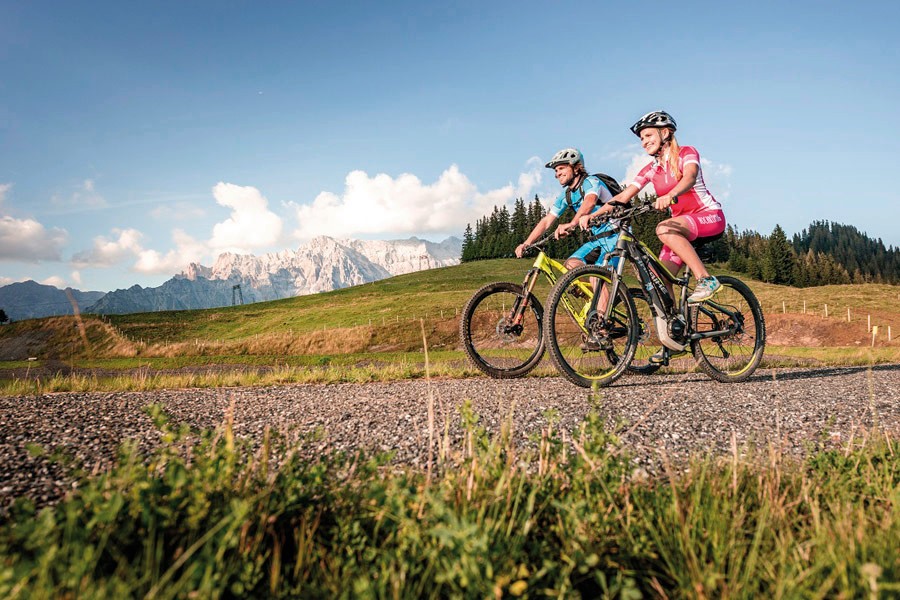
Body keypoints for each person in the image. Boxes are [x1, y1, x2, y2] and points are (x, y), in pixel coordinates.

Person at [579, 110, 725, 303]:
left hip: (709, 216)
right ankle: (675, 327)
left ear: (665, 133)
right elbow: (623, 196)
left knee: (663, 228)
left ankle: (706, 279)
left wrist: (671, 194)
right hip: (679, 226)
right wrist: (594, 214)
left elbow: (690, 176)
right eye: (641, 138)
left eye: (648, 135)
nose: (644, 142)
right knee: (657, 280)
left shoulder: (686, 153)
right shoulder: (651, 169)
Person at [514, 147, 617, 270]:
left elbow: (590, 202)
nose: (557, 174)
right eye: (556, 171)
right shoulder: (566, 195)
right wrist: (527, 243)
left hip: (615, 235)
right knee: (571, 265)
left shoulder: (591, 182)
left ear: (576, 167)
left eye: (561, 168)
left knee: (598, 278)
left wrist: (572, 223)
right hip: (596, 240)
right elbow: (547, 220)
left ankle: (604, 288)